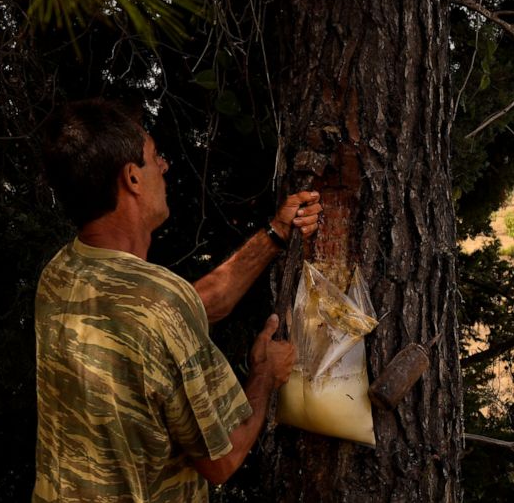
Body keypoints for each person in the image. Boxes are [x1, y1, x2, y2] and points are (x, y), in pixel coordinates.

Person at [33, 98, 322, 503]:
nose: (165, 166)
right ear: (132, 178)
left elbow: (173, 315)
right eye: (155, 157)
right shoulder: (160, 305)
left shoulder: (62, 273)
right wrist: (264, 377)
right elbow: (221, 460)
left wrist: (274, 234)